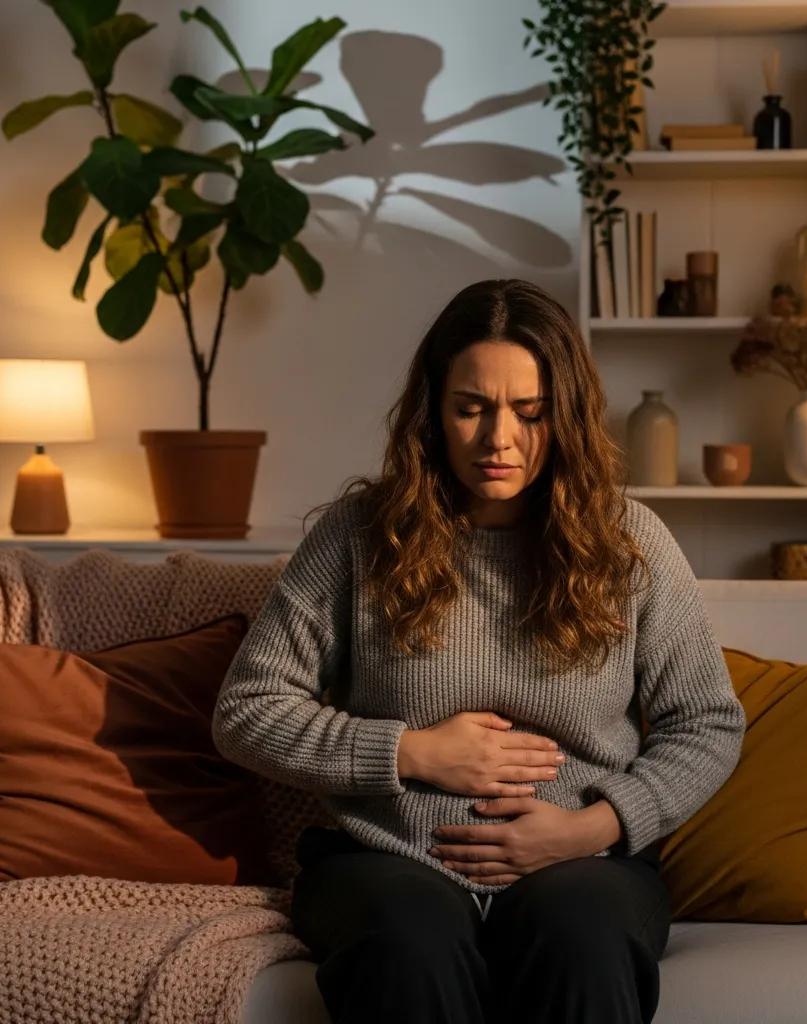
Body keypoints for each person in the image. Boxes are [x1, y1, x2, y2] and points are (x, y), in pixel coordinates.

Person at [211, 278, 746, 1024]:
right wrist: (413, 754)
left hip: (580, 861)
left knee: (583, 933)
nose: (500, 440)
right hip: (387, 859)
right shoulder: (359, 536)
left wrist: (593, 827)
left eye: (531, 413)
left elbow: (709, 723)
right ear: (431, 411)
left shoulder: (631, 542)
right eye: (471, 409)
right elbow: (245, 710)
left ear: (567, 416)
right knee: (409, 942)